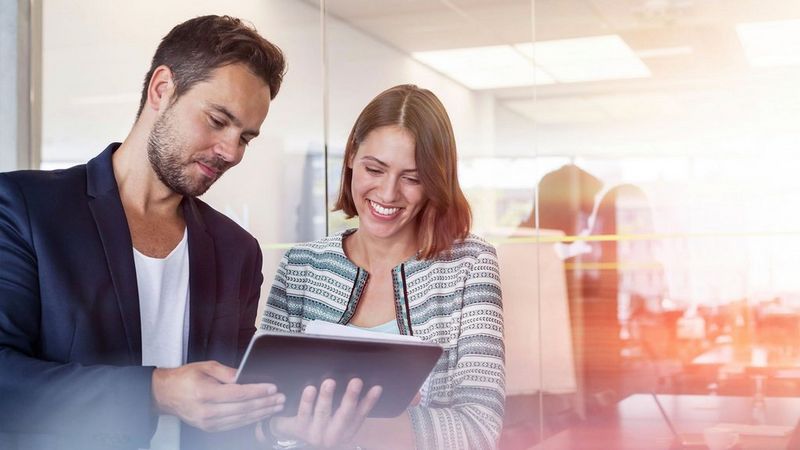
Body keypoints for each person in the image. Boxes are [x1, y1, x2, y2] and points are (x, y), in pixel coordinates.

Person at [0, 15, 287, 450]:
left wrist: (282, 425)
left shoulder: (237, 250)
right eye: (216, 120)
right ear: (161, 89)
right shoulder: (26, 208)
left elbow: (232, 411)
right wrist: (155, 392)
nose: (231, 152)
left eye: (245, 137)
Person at [260, 84, 506, 449]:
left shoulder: (469, 264)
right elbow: (260, 415)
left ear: (436, 182)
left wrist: (352, 426)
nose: (389, 193)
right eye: (374, 169)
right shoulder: (302, 266)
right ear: (351, 157)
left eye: (413, 178)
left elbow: (480, 427)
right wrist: (281, 427)